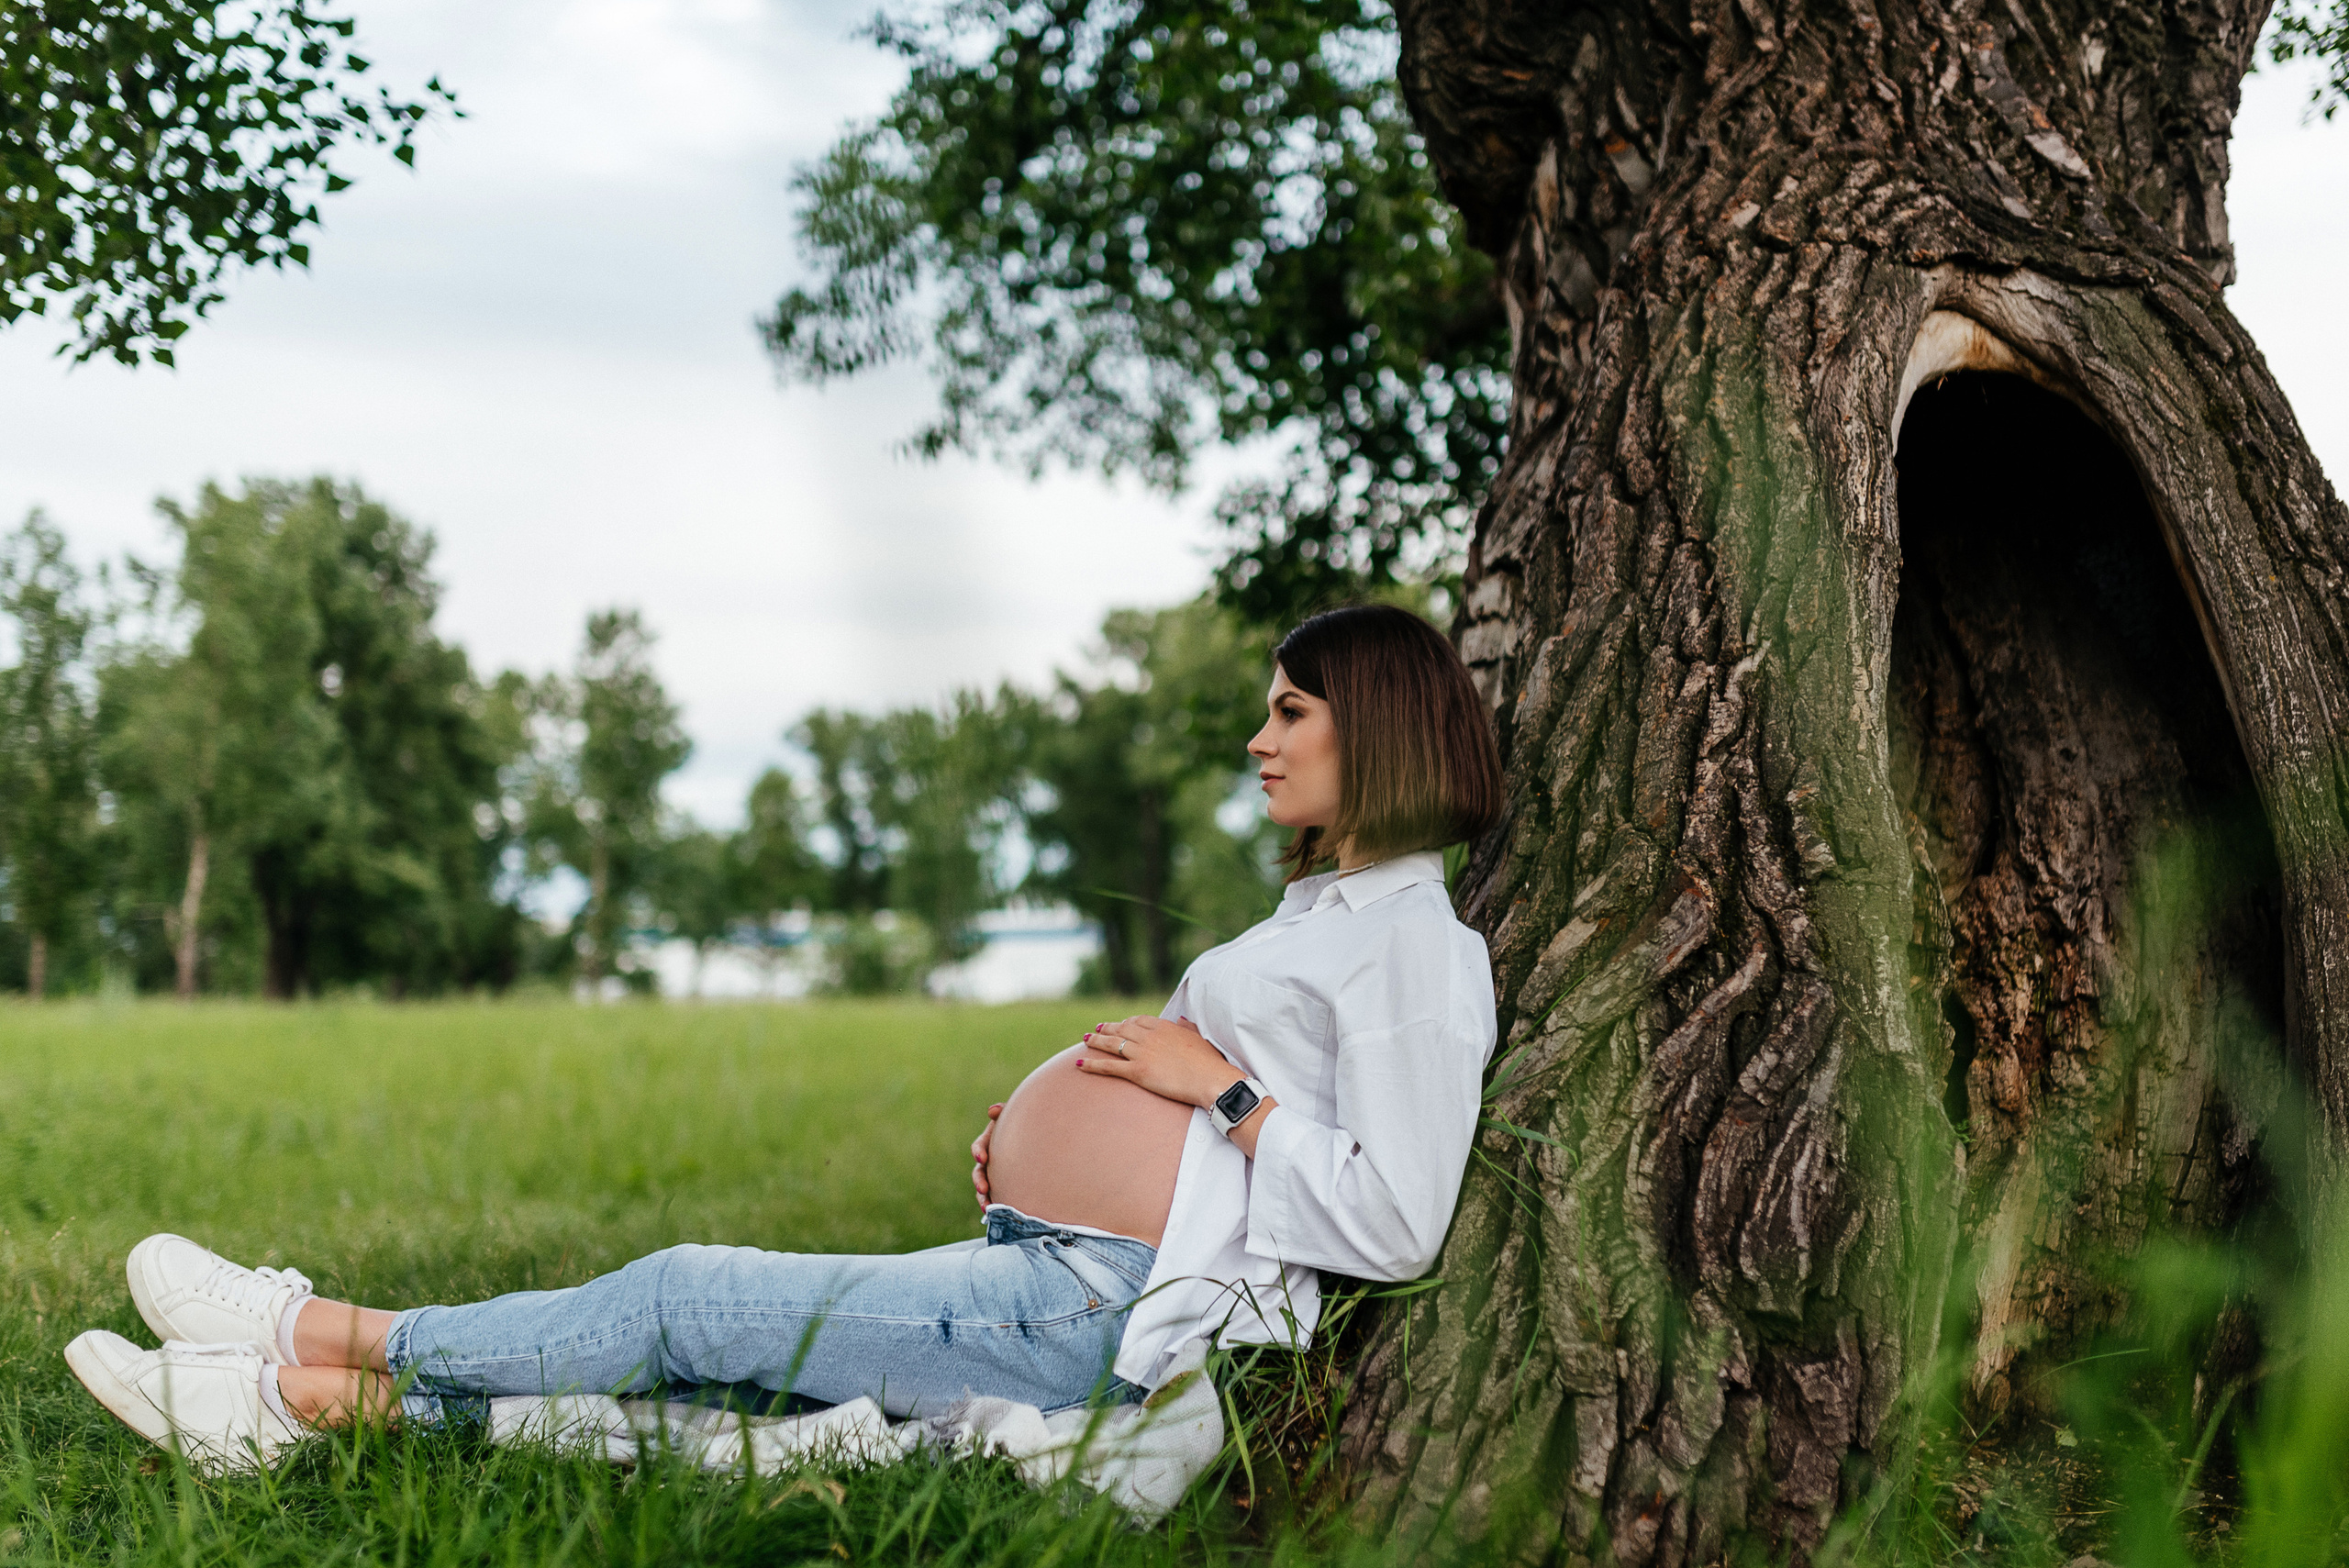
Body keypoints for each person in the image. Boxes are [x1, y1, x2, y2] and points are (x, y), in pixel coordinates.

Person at [63, 604, 1504, 1473]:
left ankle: (313, 1326)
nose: (1259, 737)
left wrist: (1219, 1083)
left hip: (1104, 1309)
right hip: (1056, 1265)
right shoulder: (1326, 912)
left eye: (1289, 709)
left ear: (1368, 723)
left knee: (694, 1295)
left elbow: (1397, 1214)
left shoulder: (1417, 951)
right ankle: (305, 1409)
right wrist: (1039, 1154)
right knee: (725, 1394)